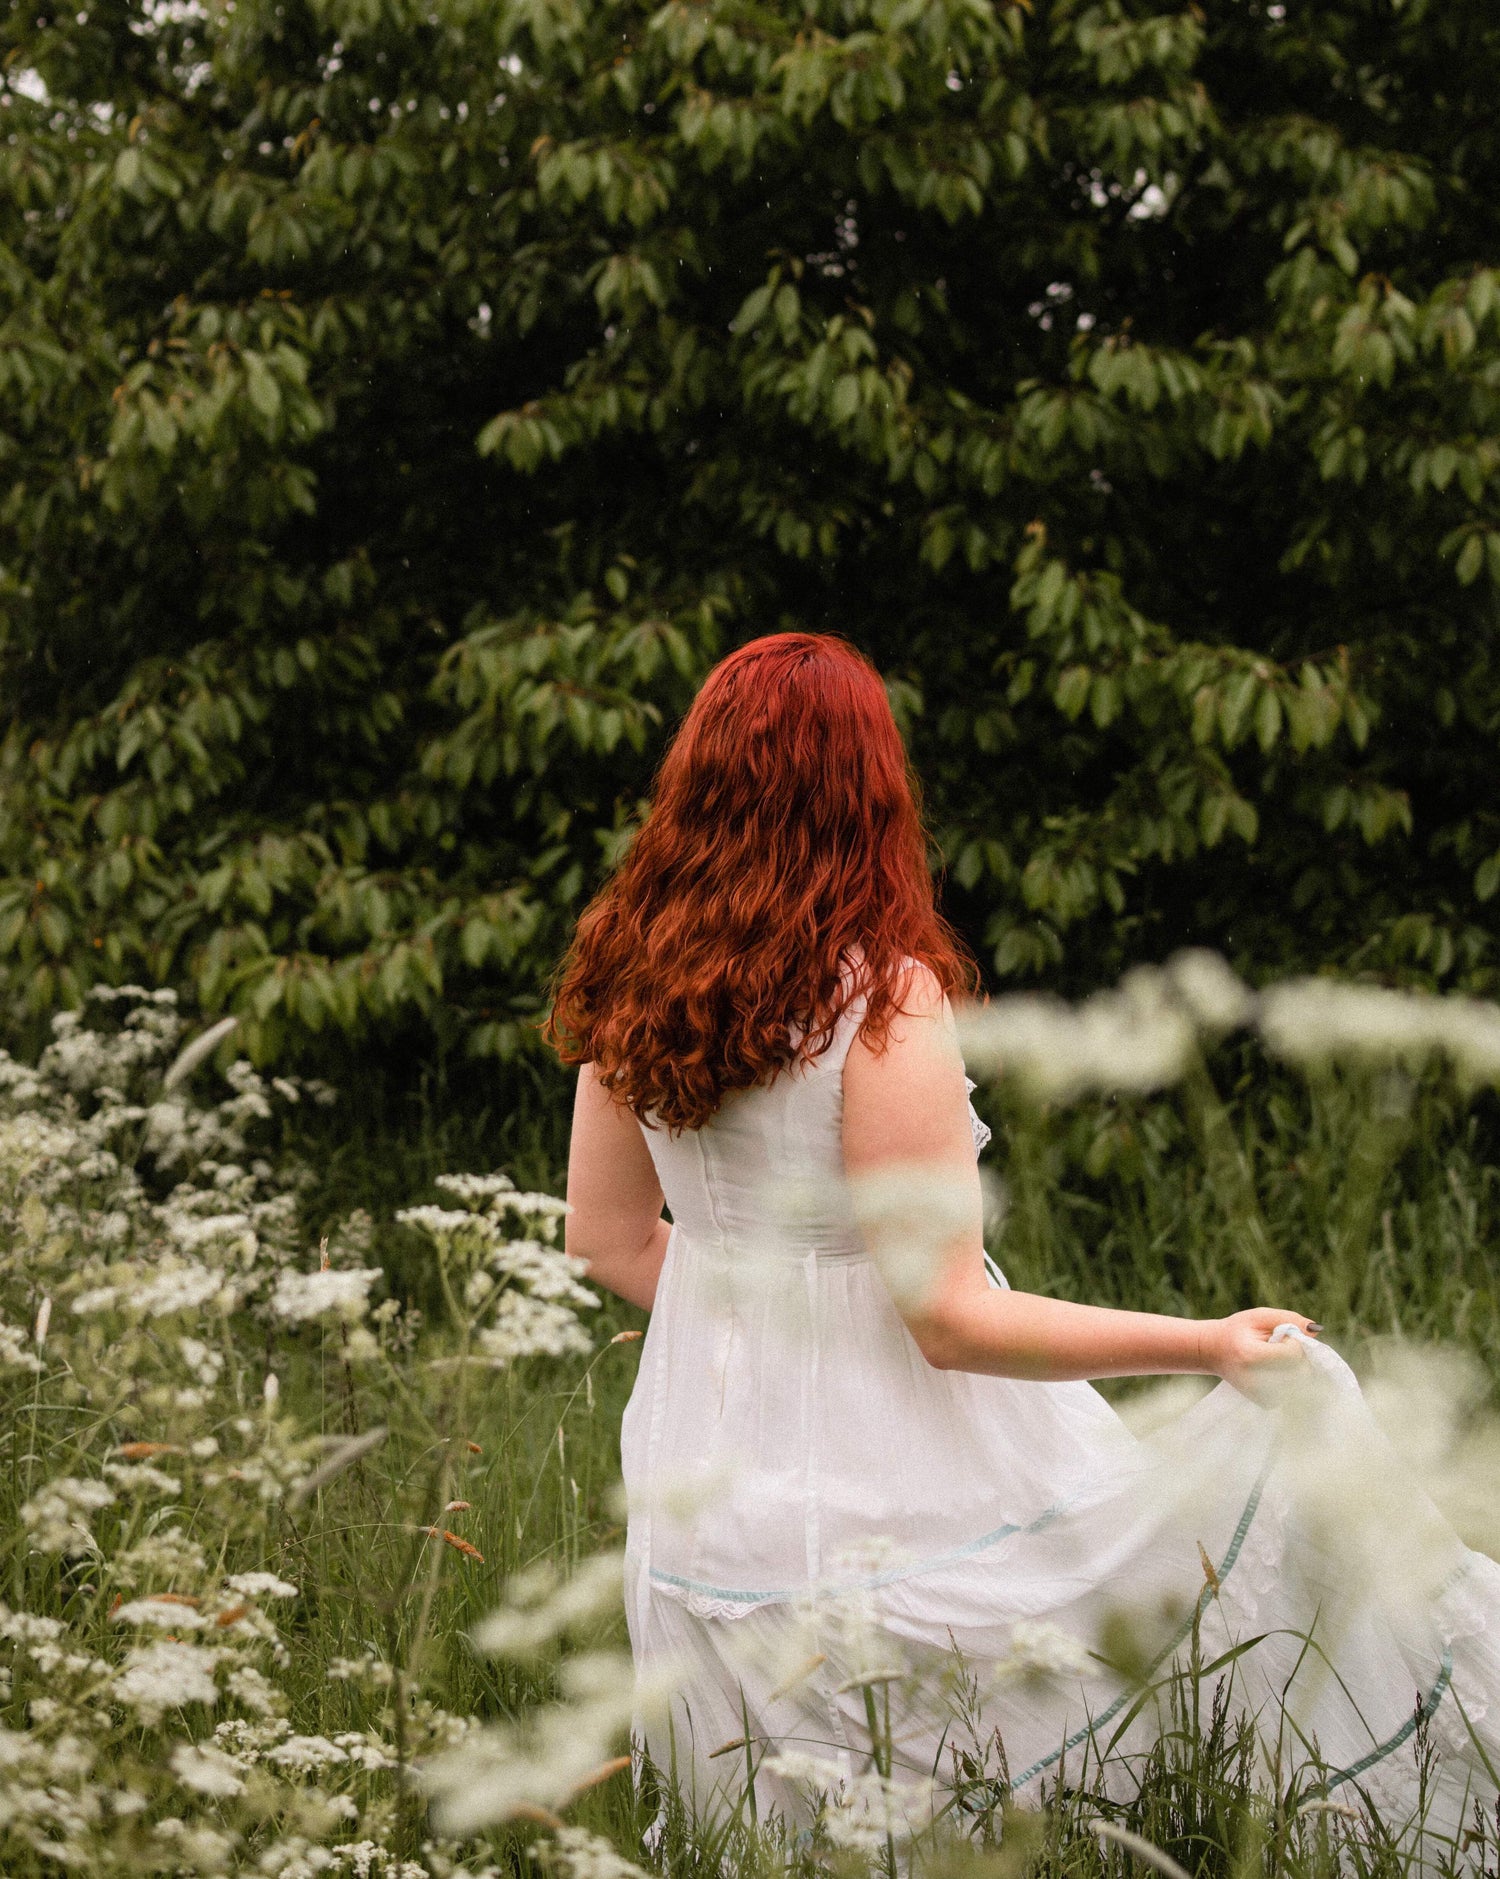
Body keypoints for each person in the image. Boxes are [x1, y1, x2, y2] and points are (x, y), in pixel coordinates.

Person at [547, 633, 1500, 1846]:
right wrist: (1206, 1343)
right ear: (872, 794)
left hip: (701, 1490)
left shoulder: (632, 977)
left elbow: (610, 1241)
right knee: (1165, 1622)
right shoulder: (878, 1001)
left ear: (694, 778)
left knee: (767, 1835)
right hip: (898, 1480)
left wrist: (762, 1306)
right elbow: (945, 1316)